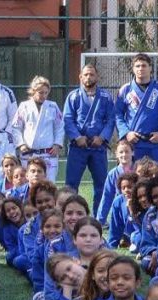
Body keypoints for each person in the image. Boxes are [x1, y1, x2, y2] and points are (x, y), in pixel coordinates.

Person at [62, 64, 115, 211]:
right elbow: (67, 119)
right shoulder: (73, 97)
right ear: (80, 77)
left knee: (101, 184)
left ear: (97, 77)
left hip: (98, 147)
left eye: (91, 74)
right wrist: (77, 137)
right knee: (71, 185)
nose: (88, 77)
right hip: (78, 147)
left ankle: (99, 217)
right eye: (85, 74)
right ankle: (71, 214)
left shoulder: (106, 97)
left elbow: (111, 120)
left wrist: (103, 137)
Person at [115, 53, 158, 165]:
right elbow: (117, 114)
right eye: (137, 66)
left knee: (157, 179)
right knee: (132, 179)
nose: (141, 68)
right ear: (133, 68)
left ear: (150, 68)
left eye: (144, 65)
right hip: (133, 143)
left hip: (154, 142)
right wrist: (126, 133)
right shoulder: (125, 90)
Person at [11, 76, 63, 182]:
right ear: (33, 91)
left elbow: (60, 127)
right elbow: (16, 127)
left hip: (48, 153)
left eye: (45, 92)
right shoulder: (24, 106)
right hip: (28, 153)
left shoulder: (53, 106)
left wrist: (57, 144)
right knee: (29, 183)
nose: (43, 95)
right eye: (40, 92)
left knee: (49, 184)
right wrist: (21, 144)